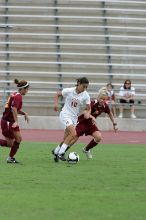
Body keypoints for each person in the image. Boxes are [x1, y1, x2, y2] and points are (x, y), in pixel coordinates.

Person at [53, 88, 118, 161]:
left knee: (98, 137)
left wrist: (114, 123)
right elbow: (84, 112)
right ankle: (59, 152)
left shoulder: (105, 106)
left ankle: (86, 149)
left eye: (104, 99)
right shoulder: (93, 103)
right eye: (101, 99)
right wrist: (91, 116)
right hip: (82, 123)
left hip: (90, 124)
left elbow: (110, 113)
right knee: (73, 139)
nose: (103, 101)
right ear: (98, 98)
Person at [52, 77, 91, 161]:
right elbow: (57, 94)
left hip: (74, 118)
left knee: (66, 138)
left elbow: (88, 108)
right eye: (83, 86)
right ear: (79, 84)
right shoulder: (69, 91)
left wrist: (87, 113)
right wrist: (56, 104)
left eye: (86, 87)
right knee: (73, 134)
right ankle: (61, 153)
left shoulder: (86, 95)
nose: (85, 89)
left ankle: (55, 152)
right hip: (65, 115)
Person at [0, 79, 30, 163]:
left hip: (9, 121)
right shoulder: (18, 96)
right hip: (8, 122)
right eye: (27, 89)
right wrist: (16, 121)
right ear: (23, 89)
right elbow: (13, 108)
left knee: (17, 140)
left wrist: (24, 113)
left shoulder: (15, 94)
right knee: (12, 143)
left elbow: (14, 109)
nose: (27, 91)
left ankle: (10, 158)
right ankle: (10, 158)